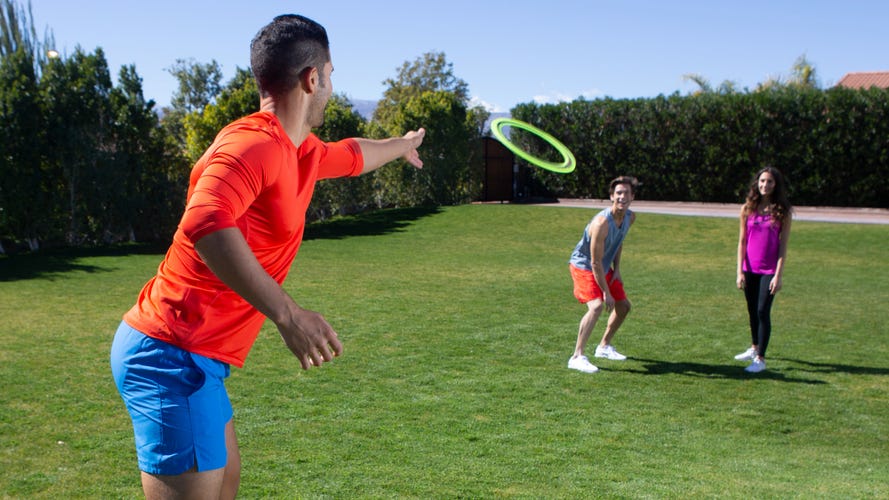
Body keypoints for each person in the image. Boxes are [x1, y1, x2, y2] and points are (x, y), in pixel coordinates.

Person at [110, 14, 425, 498]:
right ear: (312, 78)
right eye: (331, 75)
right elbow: (204, 221)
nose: (331, 87)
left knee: (226, 484)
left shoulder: (301, 151)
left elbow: (354, 155)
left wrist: (401, 145)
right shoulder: (253, 144)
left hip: (198, 358)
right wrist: (288, 315)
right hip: (171, 353)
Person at [567, 176, 638, 373]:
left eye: (626, 193)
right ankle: (577, 357)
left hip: (604, 266)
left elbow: (618, 242)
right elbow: (594, 262)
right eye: (618, 193)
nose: (622, 197)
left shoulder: (630, 217)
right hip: (584, 266)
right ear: (611, 196)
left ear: (632, 197)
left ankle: (604, 347)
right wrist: (606, 292)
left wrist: (618, 269)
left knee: (623, 306)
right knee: (597, 306)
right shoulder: (601, 223)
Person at [734, 166, 792, 373]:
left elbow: (783, 246)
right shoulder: (747, 208)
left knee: (762, 310)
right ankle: (754, 347)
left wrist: (778, 275)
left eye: (769, 182)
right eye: (762, 181)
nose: (765, 185)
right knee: (752, 310)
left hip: (769, 271)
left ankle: (760, 359)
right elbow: (742, 241)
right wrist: (739, 271)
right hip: (749, 268)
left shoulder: (782, 212)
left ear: (776, 185)